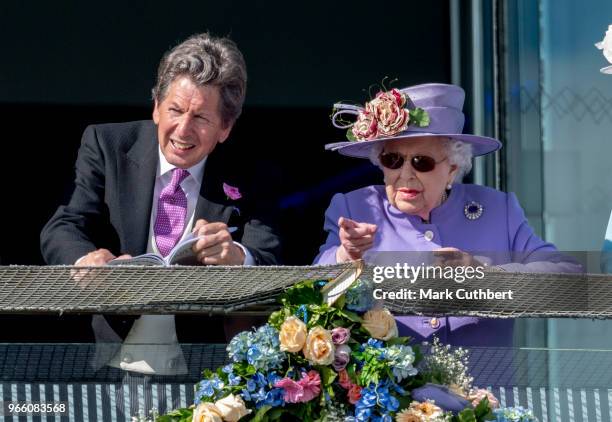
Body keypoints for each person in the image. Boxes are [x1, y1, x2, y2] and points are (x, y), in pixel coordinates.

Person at [40, 33, 281, 374]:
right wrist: (86, 260)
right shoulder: (107, 145)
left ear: (225, 127)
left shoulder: (253, 173)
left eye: (200, 118)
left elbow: (270, 256)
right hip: (108, 362)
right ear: (156, 107)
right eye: (175, 110)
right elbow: (63, 226)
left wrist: (237, 258)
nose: (183, 130)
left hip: (205, 372)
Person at [314, 83, 581, 346]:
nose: (405, 174)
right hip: (391, 389)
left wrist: (483, 277)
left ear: (453, 168)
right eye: (393, 160)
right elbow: (310, 292)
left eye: (422, 162)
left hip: (486, 387)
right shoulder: (356, 208)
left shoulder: (499, 210)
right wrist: (346, 255)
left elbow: (570, 278)